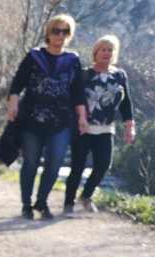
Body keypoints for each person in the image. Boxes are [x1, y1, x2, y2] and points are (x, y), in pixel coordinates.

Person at [7, 14, 88, 220]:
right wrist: (13, 105)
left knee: (55, 163)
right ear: (48, 33)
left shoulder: (73, 60)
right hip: (32, 119)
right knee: (31, 163)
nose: (60, 35)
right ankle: (26, 204)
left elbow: (78, 92)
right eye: (56, 31)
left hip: (61, 121)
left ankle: (41, 202)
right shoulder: (34, 56)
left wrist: (82, 117)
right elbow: (17, 84)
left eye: (65, 31)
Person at [64, 34, 137, 214]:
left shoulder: (120, 75)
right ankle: (68, 203)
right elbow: (75, 99)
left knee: (103, 165)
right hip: (83, 127)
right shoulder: (84, 74)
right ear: (95, 53)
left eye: (110, 50)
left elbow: (126, 102)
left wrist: (130, 125)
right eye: (103, 50)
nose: (106, 53)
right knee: (77, 167)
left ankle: (86, 195)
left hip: (106, 128)